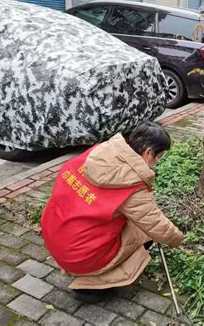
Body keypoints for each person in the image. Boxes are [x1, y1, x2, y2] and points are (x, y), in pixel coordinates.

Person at [41, 122, 183, 303]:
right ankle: (95, 286)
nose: (156, 162)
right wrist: (178, 239)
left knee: (128, 221)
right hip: (81, 256)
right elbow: (157, 226)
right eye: (159, 157)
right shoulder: (132, 185)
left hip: (55, 238)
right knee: (144, 233)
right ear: (148, 153)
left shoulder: (97, 153)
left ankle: (90, 275)